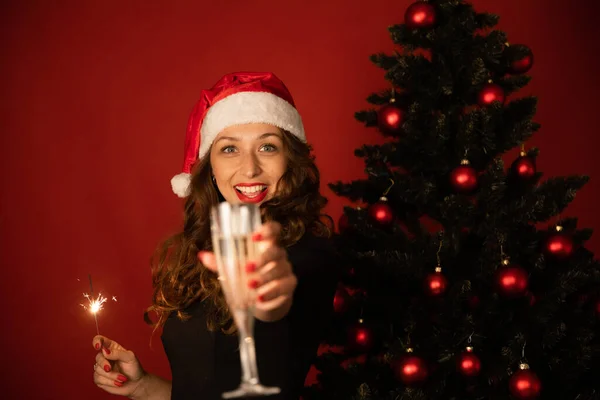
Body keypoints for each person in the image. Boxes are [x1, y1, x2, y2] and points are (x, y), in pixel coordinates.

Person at [91, 72, 338, 399]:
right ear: (210, 166)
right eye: (229, 149)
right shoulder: (202, 250)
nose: (249, 169)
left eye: (267, 146)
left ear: (289, 159)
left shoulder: (305, 256)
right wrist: (144, 386)